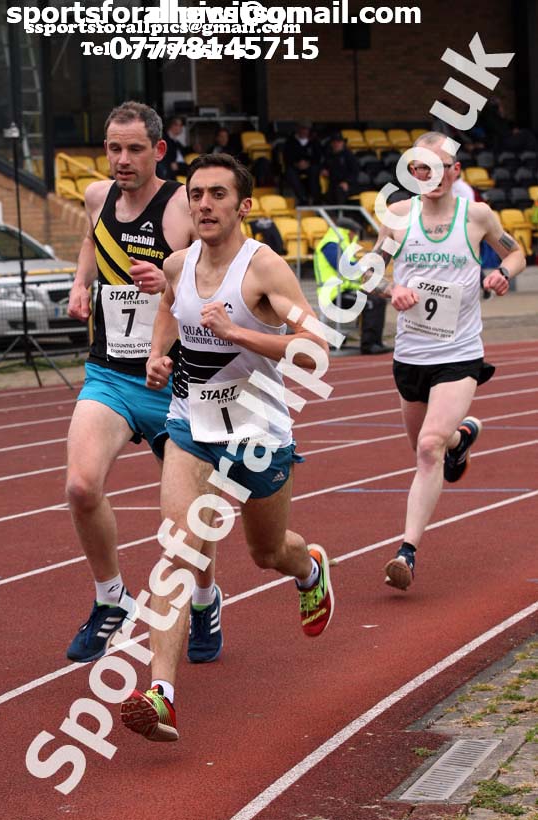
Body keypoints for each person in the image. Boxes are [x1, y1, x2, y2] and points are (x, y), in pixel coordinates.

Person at [120, 153, 334, 742]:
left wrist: (236, 331)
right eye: (196, 194)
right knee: (177, 550)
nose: (205, 204)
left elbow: (315, 346)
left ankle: (309, 568)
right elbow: (169, 307)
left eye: (218, 194)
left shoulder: (263, 269)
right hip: (191, 427)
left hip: (258, 436)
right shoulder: (178, 263)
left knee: (267, 552)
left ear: (243, 206)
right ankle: (161, 694)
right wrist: (158, 356)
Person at [65, 102, 223, 666]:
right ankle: (111, 597)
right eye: (114, 148)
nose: (122, 159)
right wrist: (80, 283)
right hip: (109, 373)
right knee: (81, 486)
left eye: (134, 149)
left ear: (158, 150)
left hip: (175, 382)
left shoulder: (182, 207)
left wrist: (170, 280)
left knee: (189, 519)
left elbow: (218, 275)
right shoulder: (97, 197)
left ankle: (204, 598)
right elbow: (92, 241)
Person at [374, 131, 525, 591]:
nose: (432, 175)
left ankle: (407, 552)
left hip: (459, 354)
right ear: (413, 172)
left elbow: (516, 251)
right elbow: (367, 273)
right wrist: (391, 289)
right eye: (423, 167)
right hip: (411, 355)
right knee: (426, 446)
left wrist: (502, 272)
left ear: (455, 171)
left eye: (441, 167)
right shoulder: (398, 218)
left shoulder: (476, 215)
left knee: (427, 449)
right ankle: (460, 439)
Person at [314, 217, 393, 355]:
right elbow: (344, 268)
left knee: (379, 300)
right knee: (371, 303)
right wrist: (364, 268)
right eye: (355, 233)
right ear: (348, 232)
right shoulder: (331, 244)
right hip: (333, 294)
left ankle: (376, 342)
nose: (355, 237)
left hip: (345, 290)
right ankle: (369, 345)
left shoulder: (340, 244)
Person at [283, 120, 322, 205]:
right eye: (302, 129)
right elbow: (286, 157)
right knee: (290, 173)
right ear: (298, 129)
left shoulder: (314, 141)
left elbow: (318, 157)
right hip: (295, 166)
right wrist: (297, 164)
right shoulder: (290, 141)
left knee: (315, 170)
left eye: (306, 129)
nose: (304, 131)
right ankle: (302, 198)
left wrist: (308, 163)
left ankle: (315, 198)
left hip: (310, 166)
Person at [321, 132, 360, 205]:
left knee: (340, 191)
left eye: (339, 142)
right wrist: (323, 170)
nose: (336, 144)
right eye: (334, 142)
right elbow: (323, 166)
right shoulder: (329, 155)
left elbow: (355, 172)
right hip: (333, 184)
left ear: (343, 143)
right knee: (328, 196)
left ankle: (341, 211)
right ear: (331, 144)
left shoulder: (349, 155)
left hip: (349, 184)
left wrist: (347, 182)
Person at [160, 115, 190, 180]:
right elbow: (171, 164)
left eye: (181, 125)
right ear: (172, 126)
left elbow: (185, 151)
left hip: (181, 170)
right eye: (179, 125)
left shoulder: (176, 142)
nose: (181, 128)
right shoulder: (165, 141)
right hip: (172, 174)